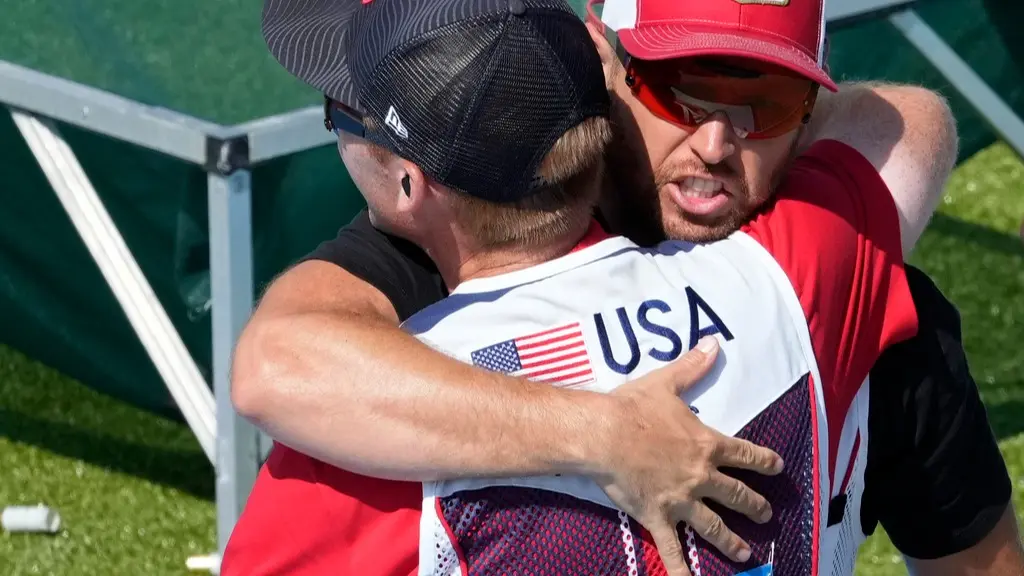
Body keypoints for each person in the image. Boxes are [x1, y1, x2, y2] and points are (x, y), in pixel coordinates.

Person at [226, 0, 1023, 574]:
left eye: (767, 102)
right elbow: (281, 363)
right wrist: (604, 434)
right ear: (600, 69)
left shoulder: (370, 432)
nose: (715, 143)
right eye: (676, 90)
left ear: (413, 185)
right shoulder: (815, 270)